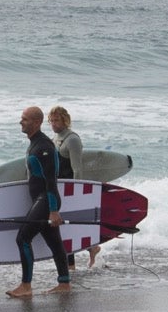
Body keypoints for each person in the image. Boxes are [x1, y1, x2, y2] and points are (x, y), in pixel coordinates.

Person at [7, 106, 71, 298]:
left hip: (46, 200)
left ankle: (26, 286)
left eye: (25, 119)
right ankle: (64, 283)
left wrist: (52, 210)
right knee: (55, 242)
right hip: (41, 201)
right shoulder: (34, 143)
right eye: (21, 118)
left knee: (23, 238)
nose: (21, 121)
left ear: (36, 122)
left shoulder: (44, 147)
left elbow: (51, 180)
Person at [49, 105, 100, 269]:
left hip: (69, 189)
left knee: (65, 229)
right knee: (66, 228)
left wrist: (77, 194)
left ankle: (70, 266)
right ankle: (93, 248)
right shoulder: (55, 138)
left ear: (65, 120)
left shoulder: (72, 140)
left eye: (56, 120)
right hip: (59, 188)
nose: (53, 124)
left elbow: (78, 170)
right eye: (51, 120)